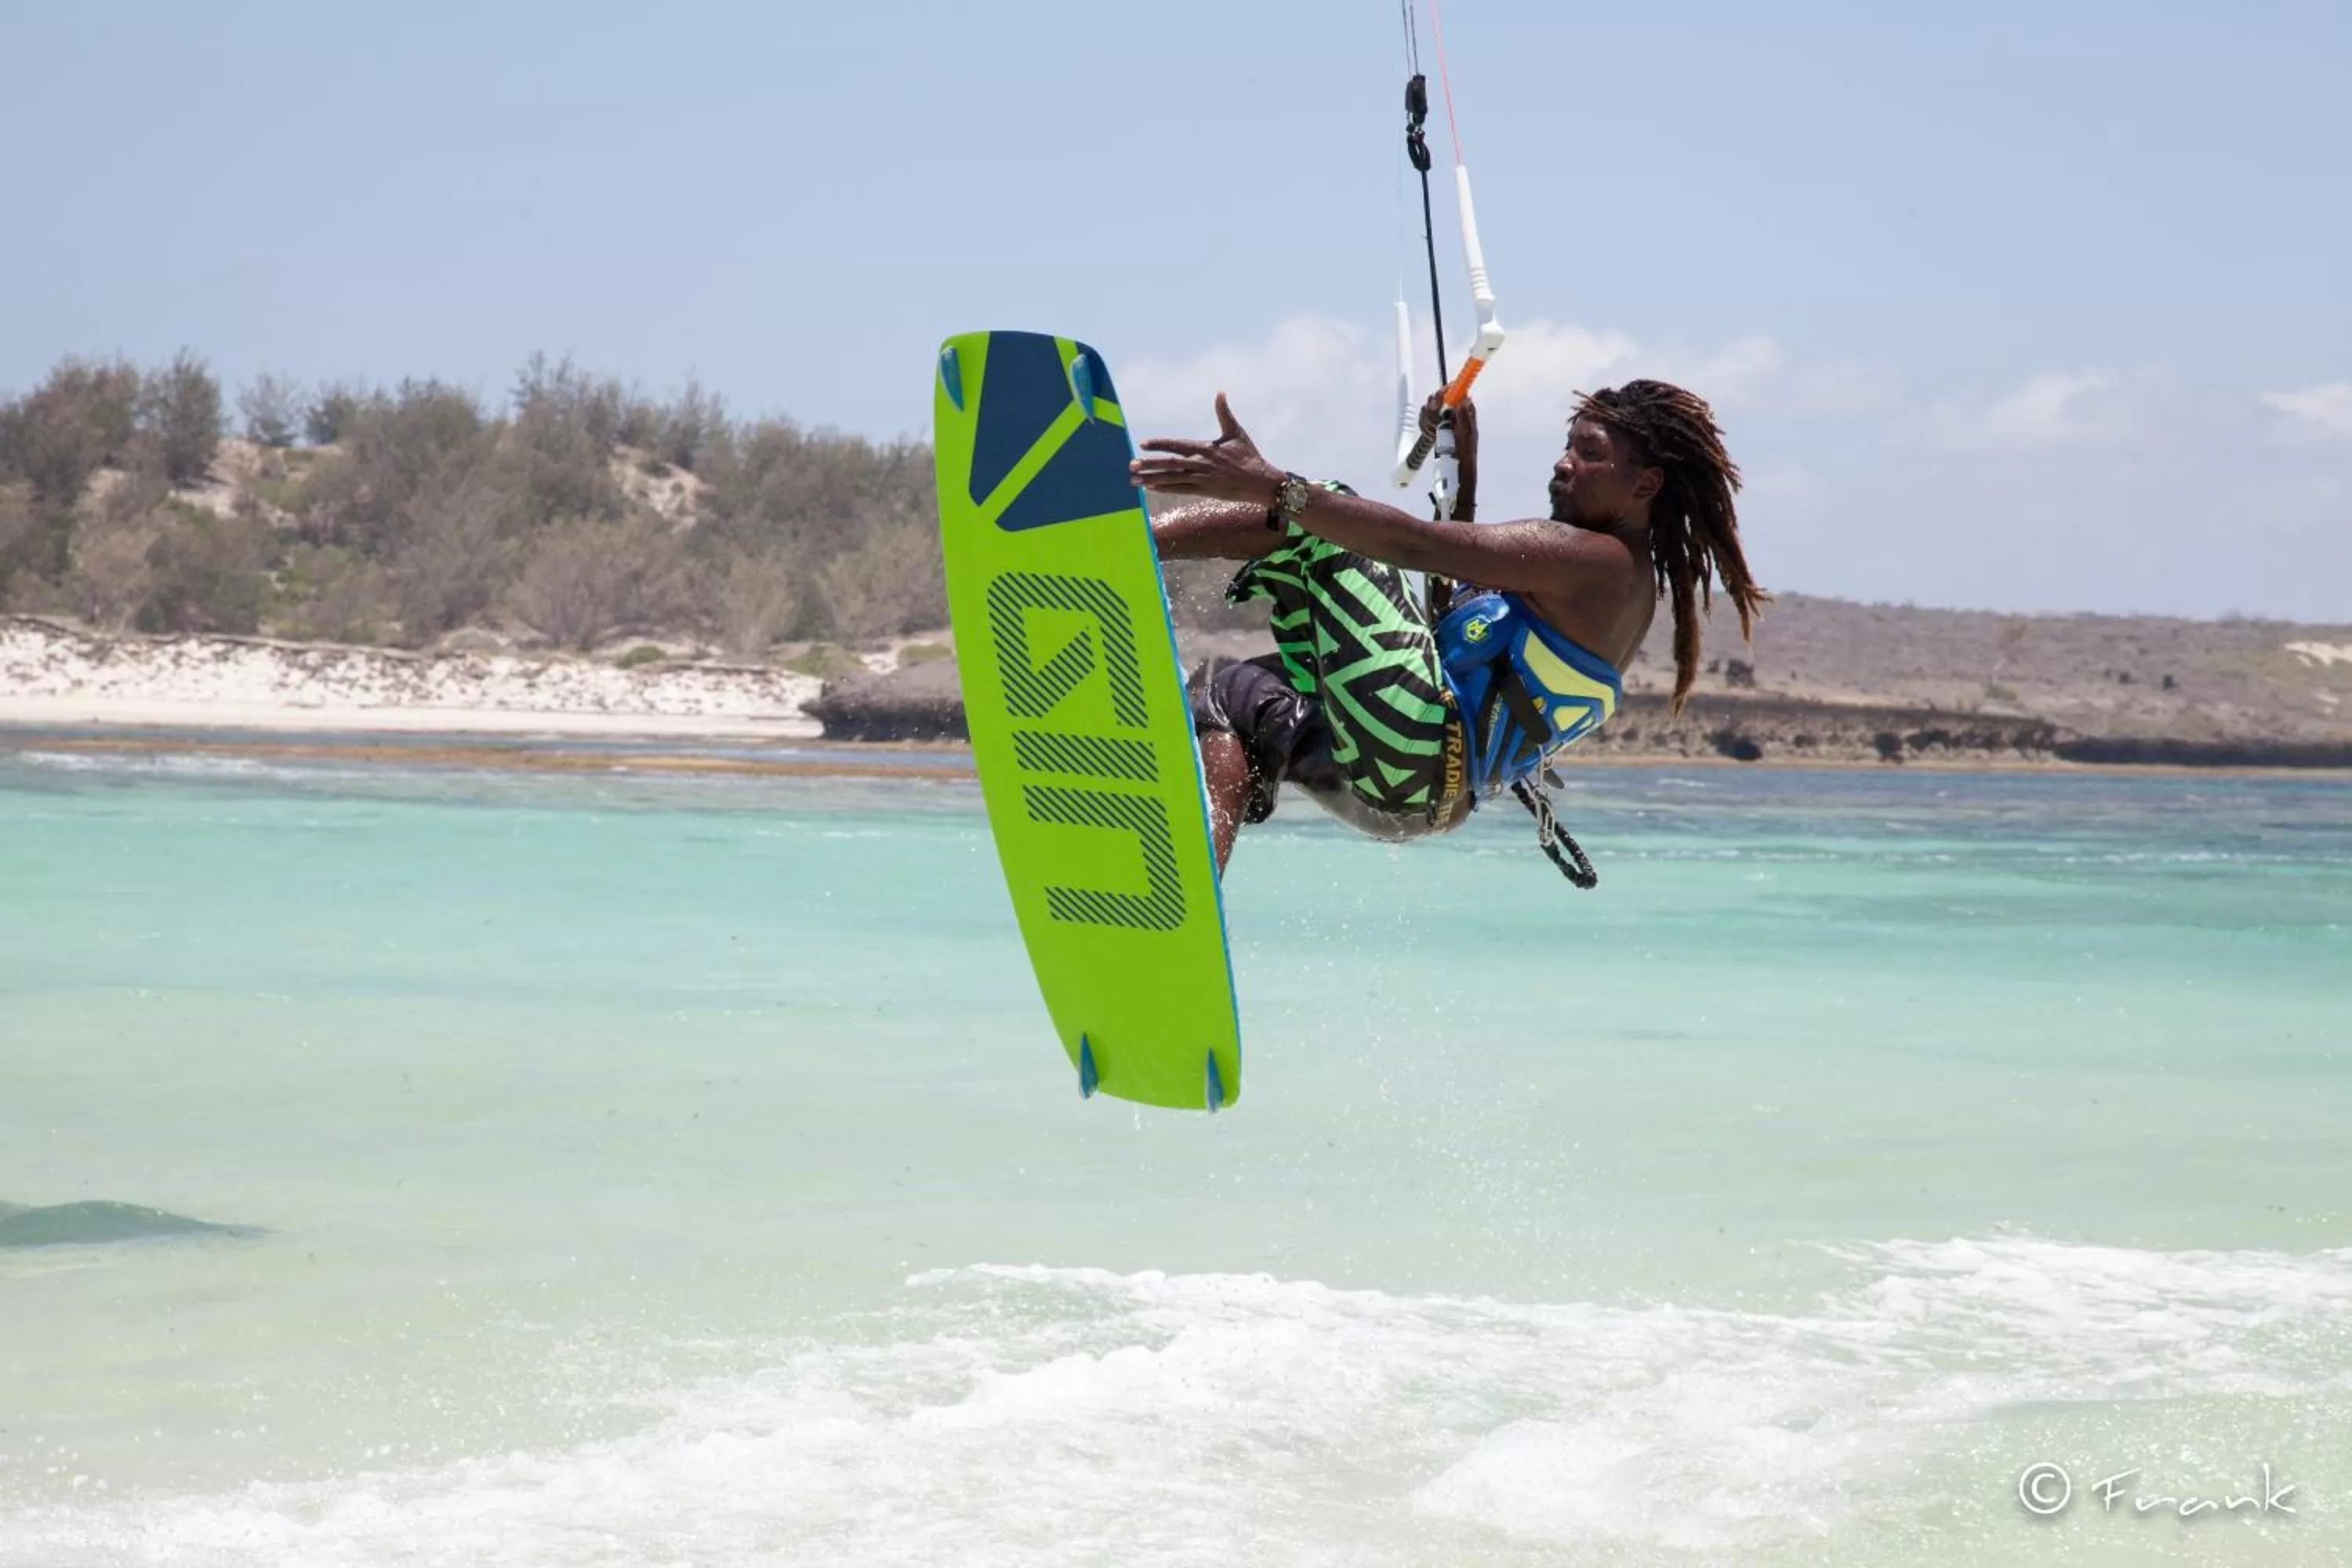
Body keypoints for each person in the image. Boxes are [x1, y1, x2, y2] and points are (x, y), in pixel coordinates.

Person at [1131, 379, 1768, 873]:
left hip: (1414, 756)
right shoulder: (1603, 579)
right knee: (1236, 697)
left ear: (1646, 484)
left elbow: (1413, 546)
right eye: (1567, 446)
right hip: (1413, 792)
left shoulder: (1596, 562)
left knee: (1324, 513)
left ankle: (1125, 545)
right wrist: (1465, 469)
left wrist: (1275, 486)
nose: (1564, 463)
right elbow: (1446, 620)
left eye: (1590, 453)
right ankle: (1190, 886)